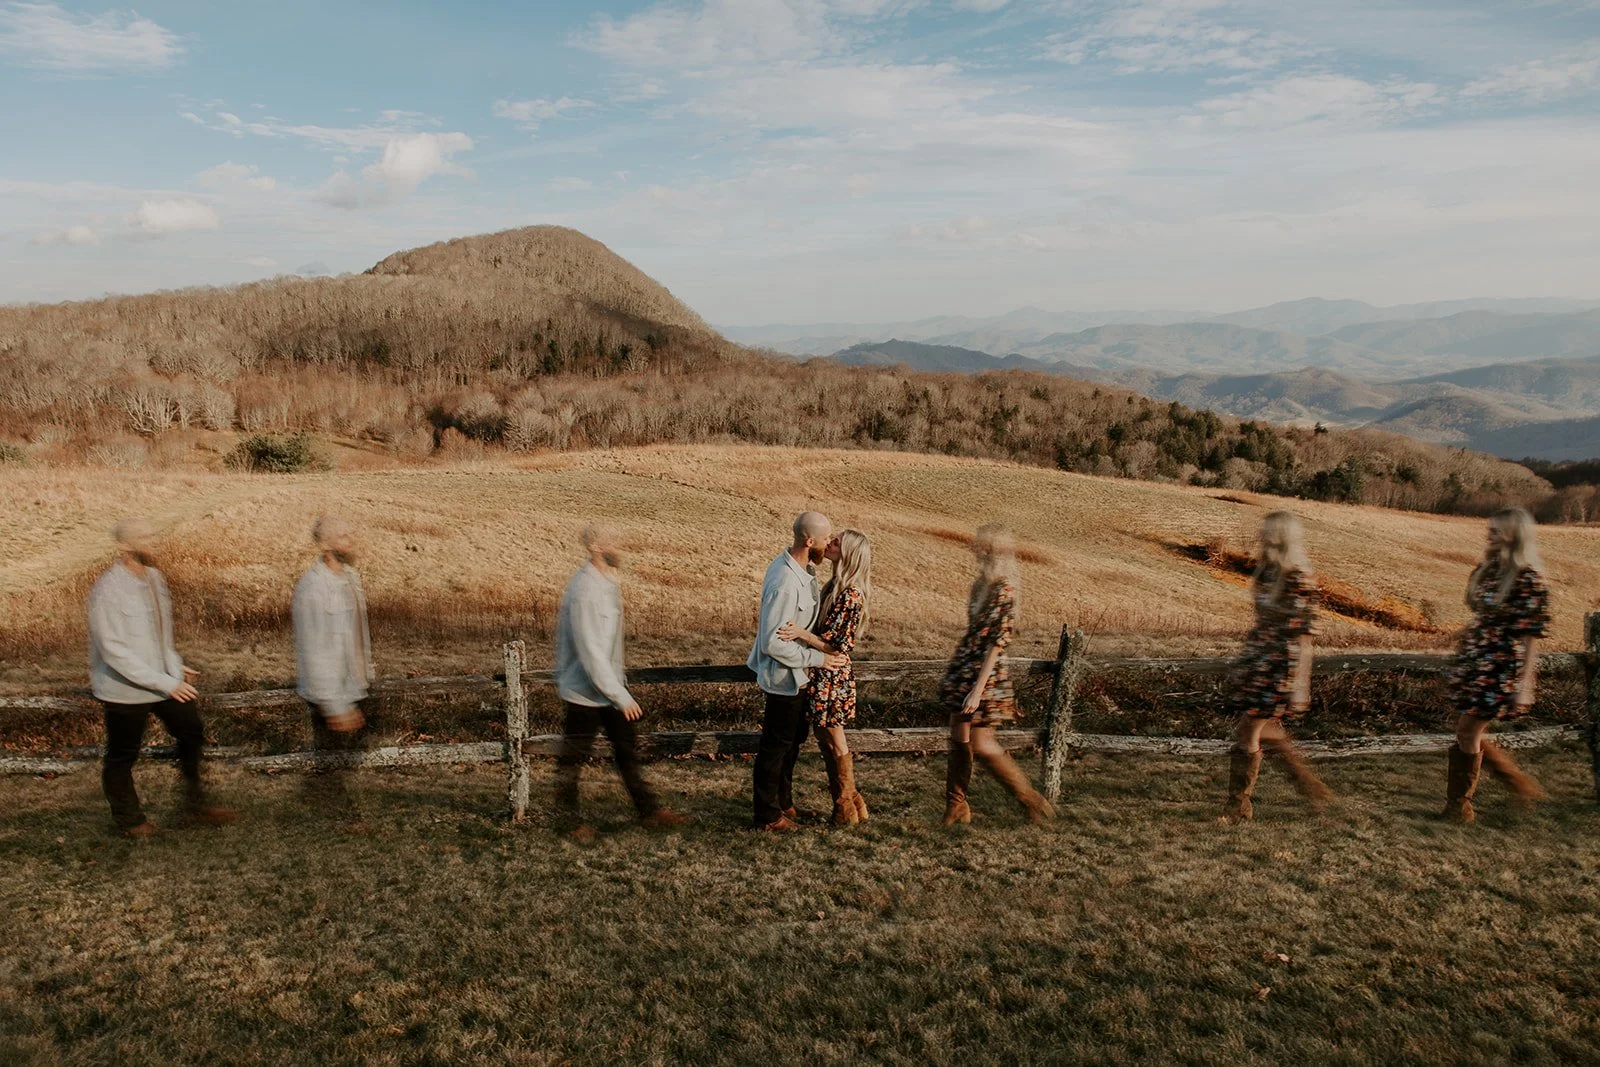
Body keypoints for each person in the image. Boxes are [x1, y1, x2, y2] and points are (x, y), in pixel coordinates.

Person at [86, 518, 235, 837]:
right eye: (144, 536)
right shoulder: (107, 589)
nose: (154, 540)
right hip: (123, 688)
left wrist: (175, 664)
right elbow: (113, 651)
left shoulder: (155, 578)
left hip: (164, 680)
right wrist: (167, 683)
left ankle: (194, 807)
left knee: (191, 732)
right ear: (125, 546)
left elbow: (161, 636)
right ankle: (130, 822)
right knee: (123, 754)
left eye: (154, 534)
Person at [554, 524, 687, 841]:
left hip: (608, 688)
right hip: (584, 692)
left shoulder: (606, 582)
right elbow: (591, 653)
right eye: (614, 541)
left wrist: (617, 690)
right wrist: (622, 696)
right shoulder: (585, 591)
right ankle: (567, 823)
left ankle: (649, 812)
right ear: (597, 546)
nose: (621, 545)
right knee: (572, 758)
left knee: (626, 751)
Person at [1220, 511, 1332, 822]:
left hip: (1280, 665)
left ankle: (1237, 809)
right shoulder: (1268, 571)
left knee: (1248, 730)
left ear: (1283, 536)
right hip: (1258, 658)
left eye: (1269, 531)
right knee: (1263, 730)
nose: (1261, 535)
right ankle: (1311, 791)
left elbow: (1305, 636)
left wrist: (1300, 686)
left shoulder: (1299, 577)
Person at [939, 524, 1054, 825]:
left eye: (980, 545)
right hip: (966, 666)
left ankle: (1031, 800)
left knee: (982, 743)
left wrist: (978, 689)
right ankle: (956, 807)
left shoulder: (1005, 588)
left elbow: (997, 642)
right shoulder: (981, 584)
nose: (974, 549)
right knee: (958, 738)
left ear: (991, 549)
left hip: (985, 674)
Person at [1443, 507, 1552, 822]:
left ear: (1514, 536)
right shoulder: (1489, 569)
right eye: (1489, 528)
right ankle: (1512, 786)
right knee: (1466, 730)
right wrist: (1459, 637)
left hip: (1498, 666)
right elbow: (1482, 615)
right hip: (1474, 660)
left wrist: (1525, 685)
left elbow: (1532, 637)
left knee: (1467, 729)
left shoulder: (1529, 578)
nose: (1488, 534)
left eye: (1496, 530)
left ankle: (1460, 806)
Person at [749, 512, 850, 832]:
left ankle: (784, 804)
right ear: (810, 541)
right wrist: (819, 659)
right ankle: (767, 816)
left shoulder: (803, 570)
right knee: (775, 747)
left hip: (798, 674)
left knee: (792, 743)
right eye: (825, 538)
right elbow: (771, 644)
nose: (829, 543)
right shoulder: (785, 583)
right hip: (783, 676)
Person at [778, 529, 873, 826]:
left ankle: (845, 808)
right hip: (822, 671)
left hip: (832, 675)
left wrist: (800, 633)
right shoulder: (835, 585)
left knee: (835, 739)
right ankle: (852, 803)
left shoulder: (851, 594)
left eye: (836, 542)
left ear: (849, 554)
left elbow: (837, 645)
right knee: (825, 737)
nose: (829, 543)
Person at [292, 515, 374, 824]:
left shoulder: (350, 578)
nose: (350, 540)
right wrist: (335, 706)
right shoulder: (312, 589)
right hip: (327, 689)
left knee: (344, 752)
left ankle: (321, 798)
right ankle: (340, 816)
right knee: (330, 756)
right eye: (343, 536)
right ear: (325, 545)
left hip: (352, 683)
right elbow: (313, 651)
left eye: (350, 533)